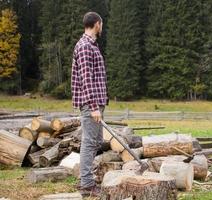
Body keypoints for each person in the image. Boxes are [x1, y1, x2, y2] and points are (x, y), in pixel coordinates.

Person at [71, 11, 108, 197]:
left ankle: (87, 177)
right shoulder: (85, 46)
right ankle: (86, 183)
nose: (102, 27)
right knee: (89, 142)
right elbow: (87, 79)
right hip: (90, 104)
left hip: (97, 103)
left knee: (97, 141)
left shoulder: (92, 45)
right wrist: (93, 106)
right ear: (97, 24)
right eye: (101, 24)